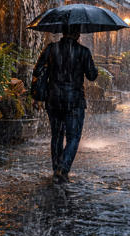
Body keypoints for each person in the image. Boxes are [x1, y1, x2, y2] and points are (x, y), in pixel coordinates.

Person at [33, 25, 97, 184]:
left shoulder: (51, 49)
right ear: (77, 34)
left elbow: (37, 71)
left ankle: (56, 169)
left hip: (53, 99)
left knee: (57, 135)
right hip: (75, 101)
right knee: (73, 137)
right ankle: (63, 168)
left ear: (63, 33)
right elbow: (92, 76)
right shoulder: (84, 52)